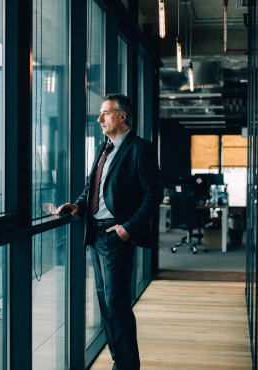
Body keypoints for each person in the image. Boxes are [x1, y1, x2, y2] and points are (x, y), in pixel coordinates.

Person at [57, 93, 163, 370]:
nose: (99, 118)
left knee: (116, 303)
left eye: (105, 113)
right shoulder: (103, 149)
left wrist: (128, 228)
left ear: (122, 116)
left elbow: (154, 194)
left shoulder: (141, 149)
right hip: (95, 234)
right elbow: (90, 187)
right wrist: (78, 206)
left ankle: (127, 366)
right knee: (106, 303)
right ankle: (121, 362)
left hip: (116, 237)